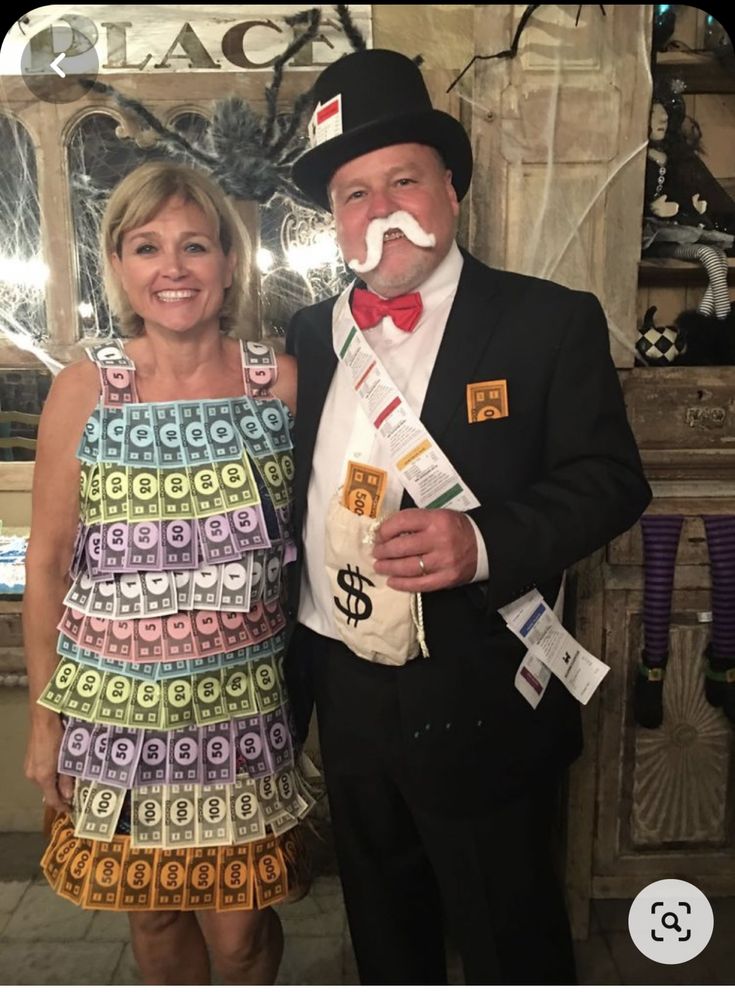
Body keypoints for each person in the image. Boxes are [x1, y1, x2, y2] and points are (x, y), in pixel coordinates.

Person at [285, 49, 651, 984]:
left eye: (402, 179)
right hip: (347, 685)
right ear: (336, 221)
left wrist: (480, 540)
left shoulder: (548, 321)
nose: (382, 211)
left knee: (507, 936)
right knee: (384, 932)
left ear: (450, 188)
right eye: (354, 194)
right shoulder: (307, 336)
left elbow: (611, 480)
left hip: (482, 685)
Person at [23, 161, 310, 985]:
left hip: (241, 710)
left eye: (194, 245)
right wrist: (47, 723)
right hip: (113, 716)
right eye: (146, 247)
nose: (172, 268)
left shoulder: (280, 385)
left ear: (229, 262)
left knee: (242, 937)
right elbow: (46, 565)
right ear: (118, 265)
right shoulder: (84, 389)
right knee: (152, 918)